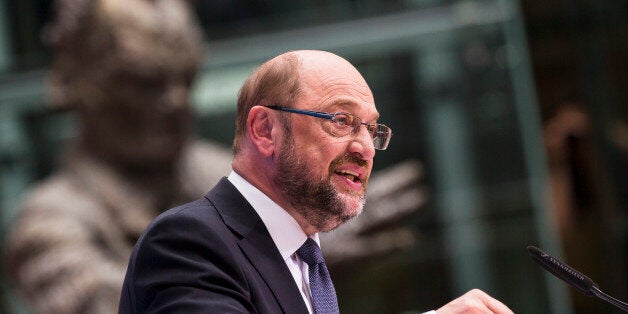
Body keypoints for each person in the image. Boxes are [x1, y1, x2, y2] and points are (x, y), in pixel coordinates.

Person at [119, 50, 514, 313]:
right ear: (265, 130)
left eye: (372, 129)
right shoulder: (187, 242)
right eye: (341, 121)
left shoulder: (307, 261)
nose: (366, 148)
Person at [3, 0, 232, 313]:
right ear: (75, 83)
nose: (176, 101)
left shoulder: (226, 170)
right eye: (144, 82)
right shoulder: (49, 224)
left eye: (186, 78)